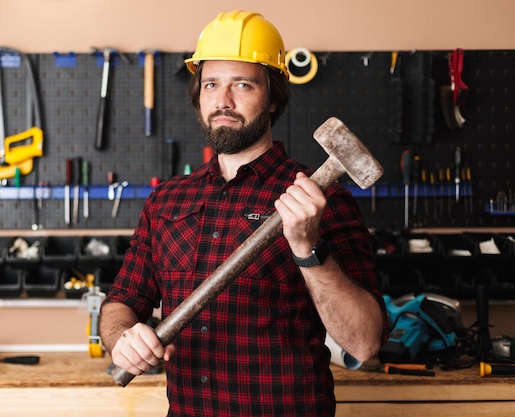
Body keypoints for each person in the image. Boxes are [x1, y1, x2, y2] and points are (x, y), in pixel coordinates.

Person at [99, 10, 388, 417]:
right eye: (212, 84)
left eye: (243, 84)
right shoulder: (166, 201)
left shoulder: (321, 200)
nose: (223, 100)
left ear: (272, 98)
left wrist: (308, 247)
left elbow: (364, 342)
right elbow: (120, 301)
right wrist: (122, 339)